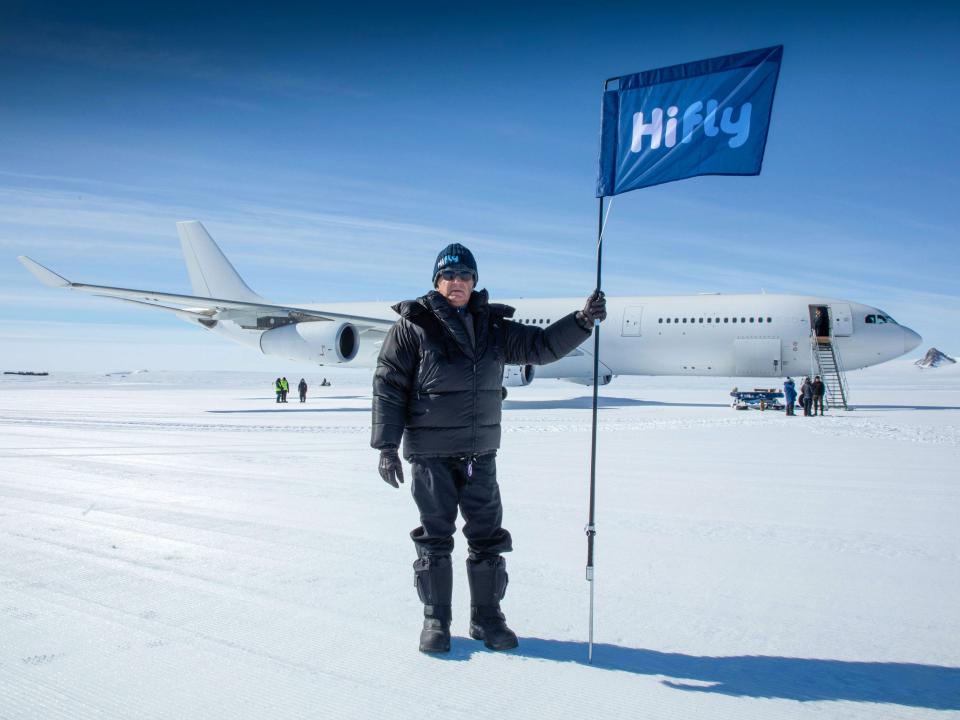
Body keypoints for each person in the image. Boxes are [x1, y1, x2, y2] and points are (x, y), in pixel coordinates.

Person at [371, 243, 606, 654]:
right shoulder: (413, 326)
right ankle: (435, 621)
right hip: (430, 454)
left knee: (487, 536)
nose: (456, 282)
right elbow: (388, 386)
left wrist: (582, 321)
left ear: (474, 282)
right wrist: (387, 446)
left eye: (464, 275)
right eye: (448, 275)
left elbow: (542, 346)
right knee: (435, 537)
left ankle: (487, 618)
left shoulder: (493, 326)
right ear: (436, 281)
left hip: (481, 454)